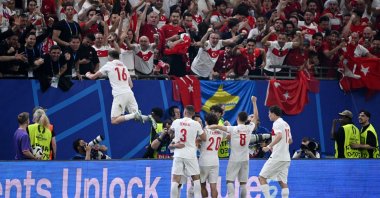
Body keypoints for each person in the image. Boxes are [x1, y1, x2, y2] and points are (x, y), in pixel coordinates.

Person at [85, 50, 155, 126]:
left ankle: (135, 114)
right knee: (137, 118)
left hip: (119, 94)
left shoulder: (109, 65)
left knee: (114, 120)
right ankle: (149, 118)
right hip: (129, 93)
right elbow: (131, 85)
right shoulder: (124, 66)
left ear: (109, 56)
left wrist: (87, 74)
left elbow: (93, 77)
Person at [209, 96, 259, 198]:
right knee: (243, 183)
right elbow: (256, 116)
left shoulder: (233, 129)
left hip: (234, 158)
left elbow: (219, 126)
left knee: (230, 181)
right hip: (245, 158)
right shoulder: (249, 128)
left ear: (237, 119)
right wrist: (254, 103)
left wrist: (211, 126)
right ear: (246, 120)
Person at [169, 105, 206, 198]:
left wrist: (175, 138)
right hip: (190, 154)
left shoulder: (176, 122)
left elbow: (170, 133)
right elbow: (204, 138)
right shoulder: (196, 124)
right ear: (193, 114)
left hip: (178, 154)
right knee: (196, 179)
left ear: (184, 112)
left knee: (175, 180)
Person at [259, 105, 293, 198]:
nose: (268, 115)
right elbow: (289, 141)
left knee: (262, 177)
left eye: (269, 113)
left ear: (273, 114)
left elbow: (279, 136)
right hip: (286, 158)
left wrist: (268, 146)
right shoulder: (286, 124)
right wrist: (277, 146)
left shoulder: (276, 123)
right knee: (282, 182)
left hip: (277, 157)